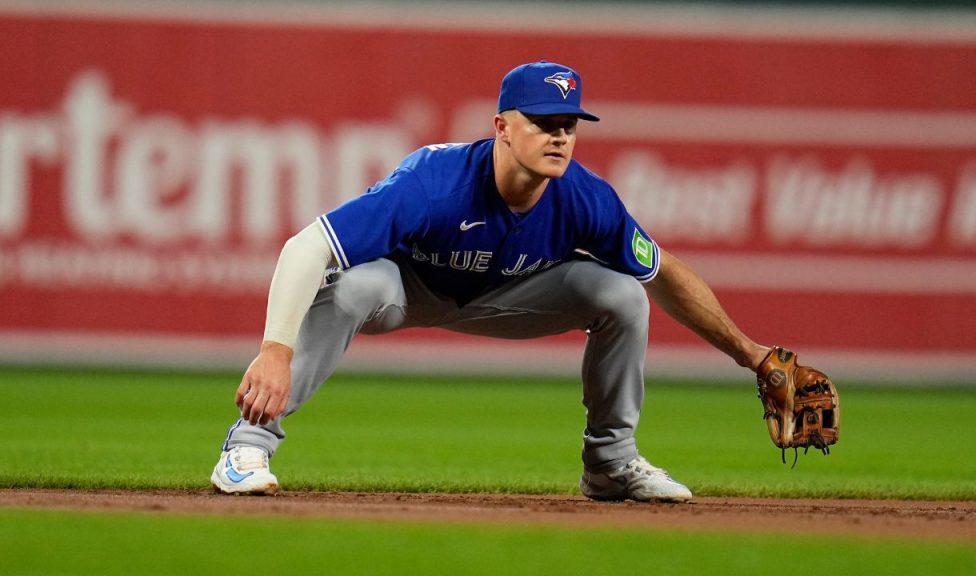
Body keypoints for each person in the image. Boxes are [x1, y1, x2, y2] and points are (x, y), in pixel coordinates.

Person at [211, 61, 770, 502]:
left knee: (623, 293)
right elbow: (306, 247)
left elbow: (664, 272)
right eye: (543, 123)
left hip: (507, 297)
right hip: (406, 290)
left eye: (567, 125)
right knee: (354, 285)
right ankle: (247, 447)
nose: (559, 137)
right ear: (502, 127)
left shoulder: (586, 198)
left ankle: (611, 464)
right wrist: (274, 351)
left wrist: (755, 357)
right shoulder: (435, 181)